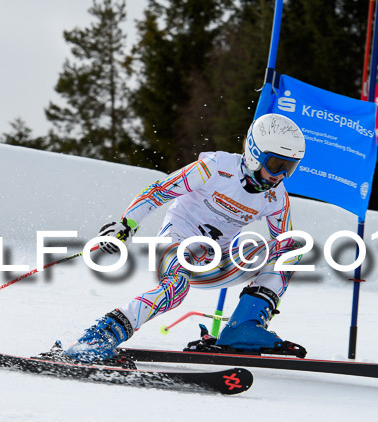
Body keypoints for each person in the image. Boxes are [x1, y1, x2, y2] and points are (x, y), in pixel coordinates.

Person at [63, 113, 307, 363]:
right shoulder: (215, 167)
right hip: (175, 245)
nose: (281, 175)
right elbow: (160, 191)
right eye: (276, 164)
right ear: (255, 153)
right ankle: (96, 339)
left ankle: (242, 328)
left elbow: (283, 246)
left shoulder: (276, 197)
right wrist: (126, 224)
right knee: (176, 288)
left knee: (291, 247)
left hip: (216, 263)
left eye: (290, 167)